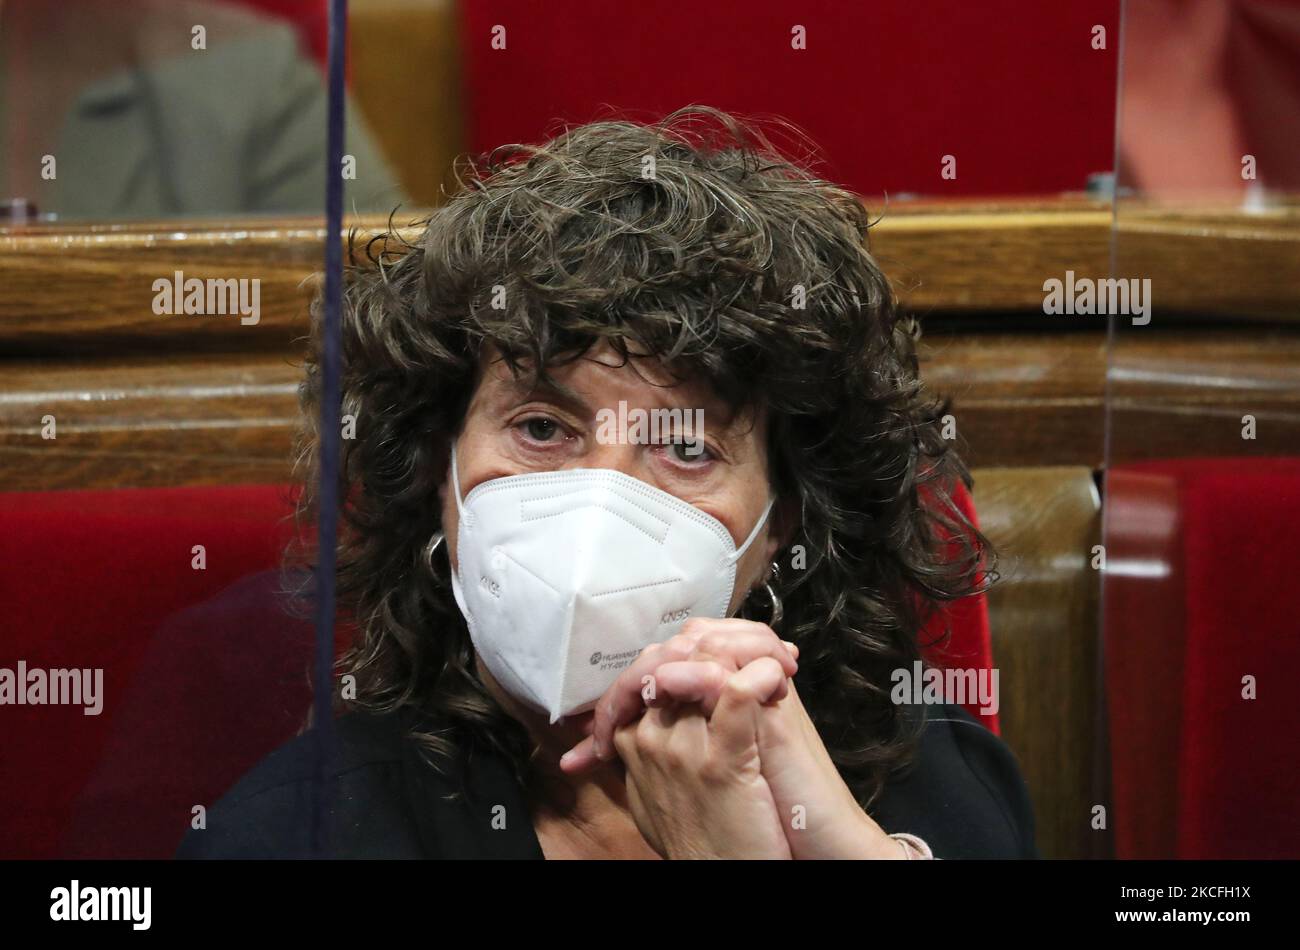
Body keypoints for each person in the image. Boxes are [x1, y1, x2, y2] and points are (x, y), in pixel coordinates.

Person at [176, 107, 1037, 860]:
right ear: (438, 478)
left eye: (687, 450)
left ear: (782, 524)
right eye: (543, 429)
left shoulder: (935, 781)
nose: (599, 502)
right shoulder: (298, 832)